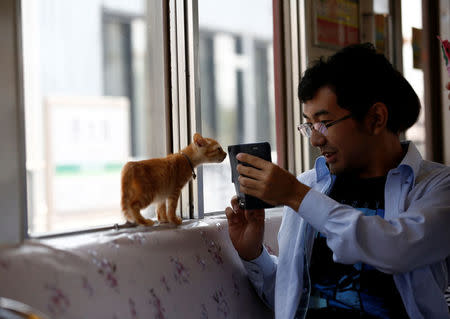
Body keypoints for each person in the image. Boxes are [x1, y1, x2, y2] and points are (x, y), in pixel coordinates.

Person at [225, 43, 450, 319]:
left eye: (324, 123)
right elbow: (292, 297)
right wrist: (253, 254)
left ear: (376, 119)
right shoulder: (310, 185)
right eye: (308, 125)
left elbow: (397, 249)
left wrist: (296, 195)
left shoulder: (438, 187)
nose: (315, 140)